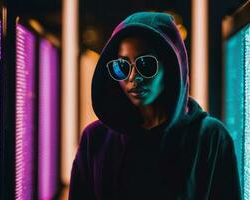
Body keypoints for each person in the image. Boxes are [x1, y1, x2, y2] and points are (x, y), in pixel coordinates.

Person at [69, 12, 241, 200]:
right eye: (122, 66)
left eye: (145, 64)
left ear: (171, 67)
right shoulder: (96, 140)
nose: (133, 77)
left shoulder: (211, 138)